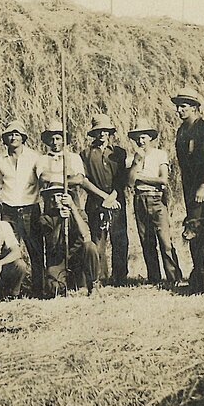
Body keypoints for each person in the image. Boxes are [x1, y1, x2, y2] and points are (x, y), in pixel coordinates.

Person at [127, 118, 184, 289]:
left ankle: (174, 277)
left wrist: (141, 177)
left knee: (165, 240)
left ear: (150, 137)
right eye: (137, 137)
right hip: (139, 199)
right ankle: (154, 277)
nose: (140, 140)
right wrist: (136, 163)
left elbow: (163, 180)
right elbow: (130, 182)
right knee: (146, 240)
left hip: (157, 199)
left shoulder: (160, 154)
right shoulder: (132, 158)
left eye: (143, 137)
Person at [0, 119, 43, 295]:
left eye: (17, 134)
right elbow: (0, 183)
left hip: (30, 208)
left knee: (35, 250)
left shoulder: (34, 157)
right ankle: (11, 291)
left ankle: (38, 290)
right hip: (9, 210)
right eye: (10, 135)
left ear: (23, 138)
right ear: (5, 139)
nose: (13, 137)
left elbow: (42, 180)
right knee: (8, 250)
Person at [79, 114, 129, 286]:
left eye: (105, 131)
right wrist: (103, 197)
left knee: (119, 238)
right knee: (98, 239)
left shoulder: (119, 153)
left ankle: (120, 277)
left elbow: (123, 178)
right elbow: (83, 180)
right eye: (99, 131)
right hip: (96, 202)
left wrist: (113, 196)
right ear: (94, 133)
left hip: (117, 201)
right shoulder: (85, 154)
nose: (102, 134)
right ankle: (100, 277)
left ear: (110, 132)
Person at [35, 179, 100, 296]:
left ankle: (93, 285)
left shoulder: (79, 212)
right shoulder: (45, 218)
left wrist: (73, 209)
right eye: (52, 196)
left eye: (60, 195)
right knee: (52, 288)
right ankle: (68, 283)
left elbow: (86, 235)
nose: (55, 200)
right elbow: (52, 244)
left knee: (90, 247)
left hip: (78, 256)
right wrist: (60, 221)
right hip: (59, 258)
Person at [172, 86, 204, 220]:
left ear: (194, 107)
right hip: (189, 184)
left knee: (197, 225)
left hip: (202, 185)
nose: (179, 110)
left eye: (183, 106)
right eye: (177, 107)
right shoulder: (182, 130)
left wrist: (202, 186)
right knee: (193, 223)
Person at [36, 120, 87, 198]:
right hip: (52, 200)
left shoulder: (74, 158)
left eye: (58, 139)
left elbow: (79, 179)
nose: (55, 142)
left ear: (64, 140)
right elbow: (43, 178)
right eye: (52, 139)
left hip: (72, 200)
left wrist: (54, 179)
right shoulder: (43, 159)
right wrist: (68, 179)